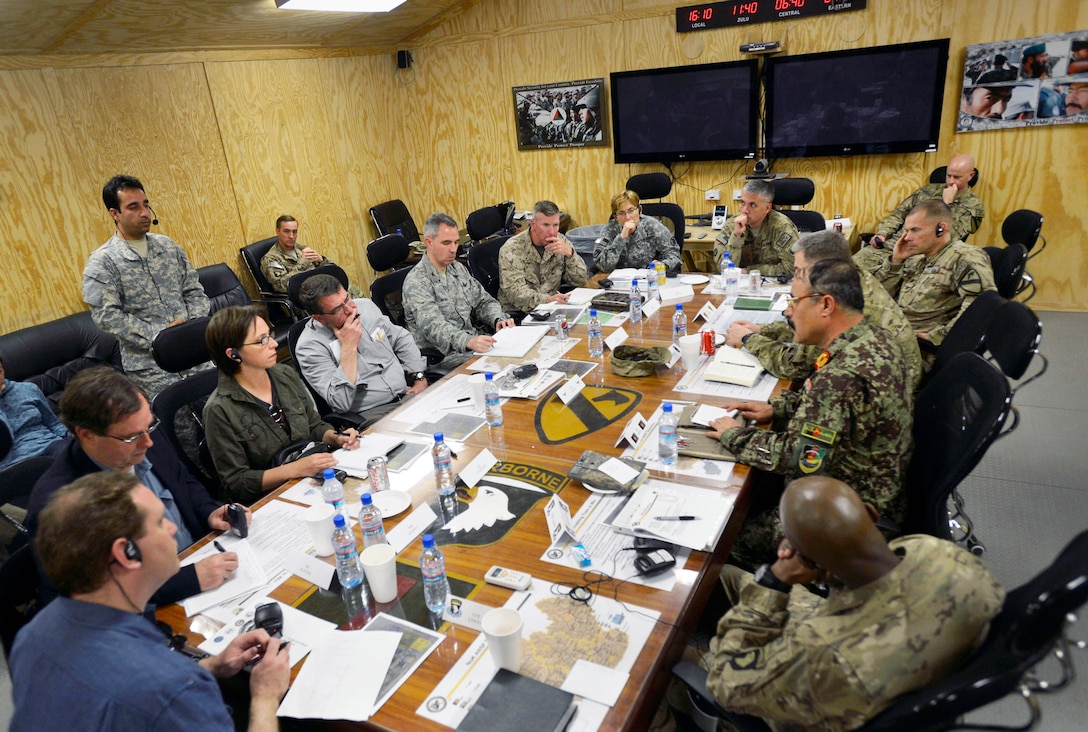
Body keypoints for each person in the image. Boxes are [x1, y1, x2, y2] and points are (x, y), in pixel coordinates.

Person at [705, 476, 1006, 731]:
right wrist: (816, 557)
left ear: (816, 569)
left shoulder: (824, 654)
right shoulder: (937, 552)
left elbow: (724, 683)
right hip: (893, 653)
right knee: (729, 577)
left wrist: (775, 582)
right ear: (872, 514)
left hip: (830, 687)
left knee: (681, 658)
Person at [10, 471, 290, 731]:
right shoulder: (174, 690)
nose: (172, 527)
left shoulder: (33, 634)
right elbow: (156, 692)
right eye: (158, 522)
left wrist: (211, 666)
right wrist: (266, 697)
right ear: (126, 554)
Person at [707, 260, 913, 564]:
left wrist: (733, 435)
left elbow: (798, 458)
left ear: (826, 305)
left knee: (723, 535)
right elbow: (838, 415)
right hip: (873, 484)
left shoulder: (841, 378)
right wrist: (776, 407)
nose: (788, 311)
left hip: (847, 514)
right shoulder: (874, 338)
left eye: (794, 301)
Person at [27, 367, 241, 606]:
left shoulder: (142, 434)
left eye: (149, 427)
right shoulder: (60, 505)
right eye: (131, 437)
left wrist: (209, 511)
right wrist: (189, 579)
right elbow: (91, 597)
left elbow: (184, 481)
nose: (148, 441)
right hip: (154, 606)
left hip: (204, 559)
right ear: (86, 435)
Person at [726, 231, 922, 391]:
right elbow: (809, 330)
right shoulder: (851, 279)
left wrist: (748, 340)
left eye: (799, 270)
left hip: (880, 403)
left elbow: (794, 366)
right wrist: (763, 330)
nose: (796, 277)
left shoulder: (843, 304)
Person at [203, 305, 360, 505]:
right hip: (274, 498)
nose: (273, 344)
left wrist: (336, 438)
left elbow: (313, 425)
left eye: (270, 335)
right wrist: (296, 468)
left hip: (312, 479)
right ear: (233, 354)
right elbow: (237, 482)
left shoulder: (284, 374)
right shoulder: (219, 410)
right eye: (261, 341)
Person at [83, 175, 210, 398]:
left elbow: (194, 290)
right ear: (115, 213)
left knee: (220, 413)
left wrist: (189, 326)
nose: (144, 213)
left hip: (193, 349)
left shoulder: (168, 247)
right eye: (133, 207)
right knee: (181, 428)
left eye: (146, 204)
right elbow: (107, 316)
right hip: (151, 366)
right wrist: (160, 336)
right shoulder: (103, 262)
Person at [296, 274, 428, 423]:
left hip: (407, 394)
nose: (350, 309)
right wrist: (348, 348)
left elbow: (400, 337)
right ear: (318, 318)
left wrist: (419, 376)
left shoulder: (365, 306)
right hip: (372, 414)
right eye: (338, 309)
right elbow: (340, 403)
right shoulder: (309, 347)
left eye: (347, 299)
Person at [871, 199, 996, 347]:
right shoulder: (917, 258)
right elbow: (880, 295)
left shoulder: (965, 257)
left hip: (913, 347)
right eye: (906, 230)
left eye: (915, 230)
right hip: (889, 331)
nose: (907, 237)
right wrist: (896, 262)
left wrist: (937, 338)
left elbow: (983, 306)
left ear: (941, 229)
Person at [404, 212, 516, 369]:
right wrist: (468, 341)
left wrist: (497, 318)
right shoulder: (416, 281)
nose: (453, 249)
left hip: (473, 345)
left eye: (456, 242)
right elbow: (433, 327)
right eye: (446, 243)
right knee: (507, 367)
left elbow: (483, 301)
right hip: (445, 357)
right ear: (429, 243)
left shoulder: (457, 268)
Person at [855, 153, 985, 275]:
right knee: (847, 269)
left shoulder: (973, 207)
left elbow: (947, 237)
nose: (951, 181)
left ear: (971, 175)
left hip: (920, 256)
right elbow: (899, 214)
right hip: (892, 245)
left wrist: (946, 204)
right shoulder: (928, 190)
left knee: (872, 284)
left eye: (957, 177)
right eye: (948, 175)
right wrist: (883, 234)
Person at [498, 200, 589, 314]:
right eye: (546, 225)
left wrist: (570, 254)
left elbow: (580, 280)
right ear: (533, 224)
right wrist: (547, 300)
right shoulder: (511, 249)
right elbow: (516, 294)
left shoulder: (561, 241)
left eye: (555, 225)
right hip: (519, 314)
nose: (552, 231)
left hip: (552, 308)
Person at [713, 180, 798, 276]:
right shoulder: (732, 225)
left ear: (767, 208)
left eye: (752, 205)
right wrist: (736, 237)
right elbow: (723, 269)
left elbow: (793, 268)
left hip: (773, 286)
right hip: (738, 286)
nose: (744, 210)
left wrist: (750, 271)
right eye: (742, 203)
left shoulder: (781, 227)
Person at [0, 352, 68, 469]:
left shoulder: (28, 389)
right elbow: (6, 439)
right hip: (12, 465)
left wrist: (73, 436)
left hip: (49, 446)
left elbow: (53, 424)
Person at [594, 190, 682, 274]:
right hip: (619, 282)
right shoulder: (609, 229)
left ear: (639, 210)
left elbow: (674, 255)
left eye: (631, 211)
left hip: (651, 278)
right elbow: (603, 266)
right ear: (615, 216)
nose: (628, 217)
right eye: (621, 213)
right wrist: (621, 237)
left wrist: (663, 265)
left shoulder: (652, 226)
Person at [259, 214, 330, 292]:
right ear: (278, 232)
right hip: (301, 296)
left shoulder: (301, 248)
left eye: (295, 232)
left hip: (317, 288)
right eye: (286, 231)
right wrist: (302, 264)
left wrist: (322, 260)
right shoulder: (271, 259)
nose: (291, 236)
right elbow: (281, 286)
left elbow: (331, 271)